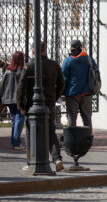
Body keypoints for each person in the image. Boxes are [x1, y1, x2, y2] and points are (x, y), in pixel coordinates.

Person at [16, 42, 65, 171]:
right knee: (51, 132)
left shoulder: (29, 66)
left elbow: (21, 87)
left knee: (30, 133)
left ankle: (30, 161)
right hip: (49, 103)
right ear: (45, 50)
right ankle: (57, 159)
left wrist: (20, 105)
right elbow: (61, 83)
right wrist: (54, 97)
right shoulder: (54, 65)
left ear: (33, 51)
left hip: (32, 104)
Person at [60, 40, 97, 129]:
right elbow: (96, 71)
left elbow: (63, 78)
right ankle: (88, 136)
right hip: (87, 93)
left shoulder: (68, 61)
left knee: (72, 119)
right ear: (81, 47)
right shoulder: (89, 59)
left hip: (72, 94)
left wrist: (61, 93)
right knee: (87, 118)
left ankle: (72, 137)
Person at [0, 51, 25, 149]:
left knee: (14, 119)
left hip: (9, 99)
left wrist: (2, 98)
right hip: (19, 99)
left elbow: (2, 86)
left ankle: (14, 141)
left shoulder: (7, 71)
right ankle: (16, 142)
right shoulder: (21, 71)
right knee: (19, 119)